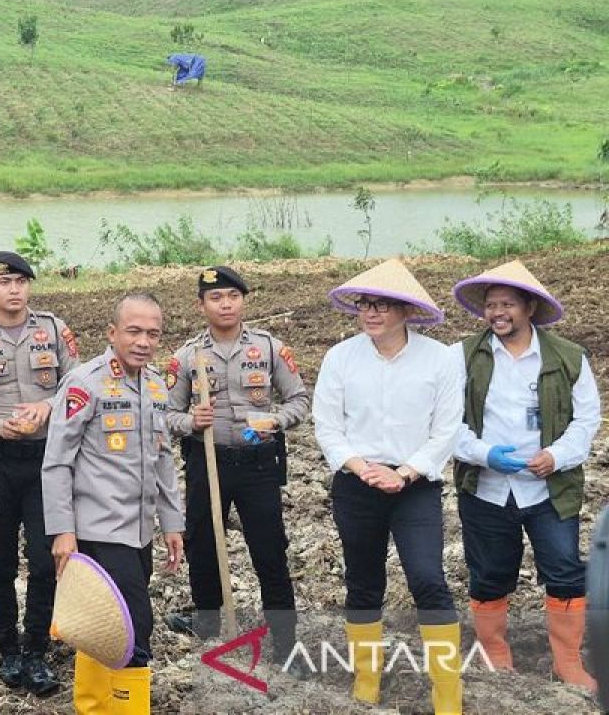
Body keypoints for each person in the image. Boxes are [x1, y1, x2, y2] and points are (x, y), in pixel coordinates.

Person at [312, 258, 464, 714]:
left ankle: (448, 695)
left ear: (407, 311)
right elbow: (327, 425)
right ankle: (367, 682)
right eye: (365, 304)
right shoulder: (341, 357)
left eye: (382, 305)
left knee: (428, 579)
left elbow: (446, 430)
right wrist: (362, 468)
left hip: (414, 486)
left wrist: (405, 473)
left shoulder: (440, 359)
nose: (371, 313)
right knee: (363, 582)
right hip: (357, 483)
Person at [450, 260, 600, 691]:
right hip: (487, 486)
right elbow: (445, 421)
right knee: (489, 572)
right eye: (491, 305)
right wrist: (483, 455)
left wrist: (556, 456)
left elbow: (586, 420)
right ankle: (495, 652)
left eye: (508, 304)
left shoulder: (568, 357)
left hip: (550, 489)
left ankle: (567, 661)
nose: (497, 313)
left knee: (565, 569)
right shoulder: (462, 356)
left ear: (530, 307)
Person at [163, 266, 310, 675]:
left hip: (257, 463)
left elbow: (299, 400)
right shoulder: (187, 356)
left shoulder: (269, 348)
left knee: (270, 550)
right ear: (201, 305)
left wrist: (274, 421)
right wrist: (192, 421)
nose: (225, 304)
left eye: (232, 296)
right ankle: (208, 622)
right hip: (206, 461)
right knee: (203, 545)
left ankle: (285, 641)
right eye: (216, 297)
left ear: (243, 300)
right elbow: (165, 414)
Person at [43, 292, 184, 715]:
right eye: (134, 331)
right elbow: (57, 461)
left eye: (153, 334)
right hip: (98, 530)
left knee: (101, 626)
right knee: (133, 633)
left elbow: (163, 459)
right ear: (112, 332)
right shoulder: (85, 383)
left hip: (138, 529)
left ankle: (94, 707)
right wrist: (62, 531)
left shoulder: (155, 385)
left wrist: (171, 522)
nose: (143, 341)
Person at [0, 251, 80, 696]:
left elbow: (77, 384)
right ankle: (7, 649)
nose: (13, 290)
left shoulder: (53, 329)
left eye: (20, 281)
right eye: (4, 282)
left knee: (45, 558)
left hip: (45, 462)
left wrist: (48, 407)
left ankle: (36, 649)